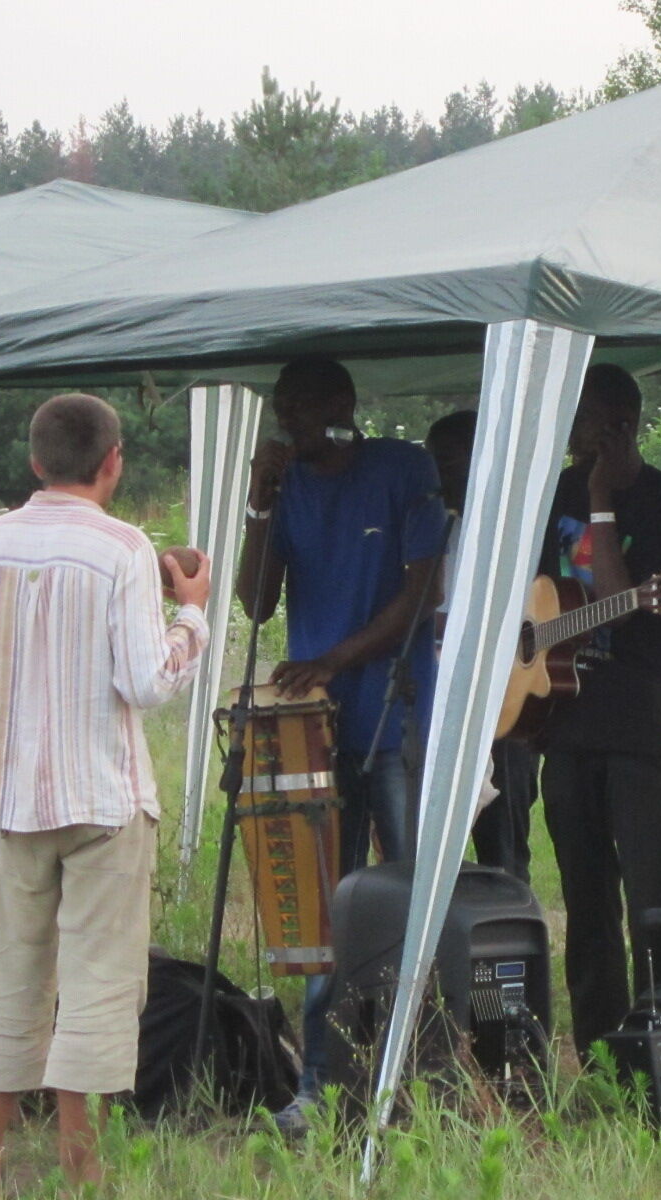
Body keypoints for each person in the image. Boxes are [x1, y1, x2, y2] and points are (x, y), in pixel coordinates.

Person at [0, 392, 211, 1195]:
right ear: (114, 461)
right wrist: (190, 618)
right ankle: (80, 1176)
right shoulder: (124, 547)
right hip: (102, 801)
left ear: (34, 461)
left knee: (9, 984)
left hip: (15, 802)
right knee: (96, 992)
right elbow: (146, 679)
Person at [235, 356, 446, 1123]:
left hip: (392, 717)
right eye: (282, 408)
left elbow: (423, 589)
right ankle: (321, 1085)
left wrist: (334, 658)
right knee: (325, 907)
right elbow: (255, 603)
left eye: (301, 406)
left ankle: (425, 1069)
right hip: (316, 735)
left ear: (341, 407)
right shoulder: (288, 487)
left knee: (408, 893)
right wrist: (259, 507)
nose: (288, 420)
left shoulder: (401, 467)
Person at [536, 363, 661, 1057]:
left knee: (654, 904)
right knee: (587, 901)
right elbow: (539, 595)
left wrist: (603, 503)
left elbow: (619, 598)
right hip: (564, 723)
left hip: (640, 725)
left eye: (583, 426)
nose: (572, 442)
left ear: (619, 428)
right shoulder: (557, 495)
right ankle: (602, 1053)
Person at [425, 409, 538, 885]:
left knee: (502, 852)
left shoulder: (509, 533)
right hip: (445, 701)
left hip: (503, 704)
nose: (438, 475)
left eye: (447, 462)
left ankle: (512, 943)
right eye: (433, 463)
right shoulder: (441, 529)